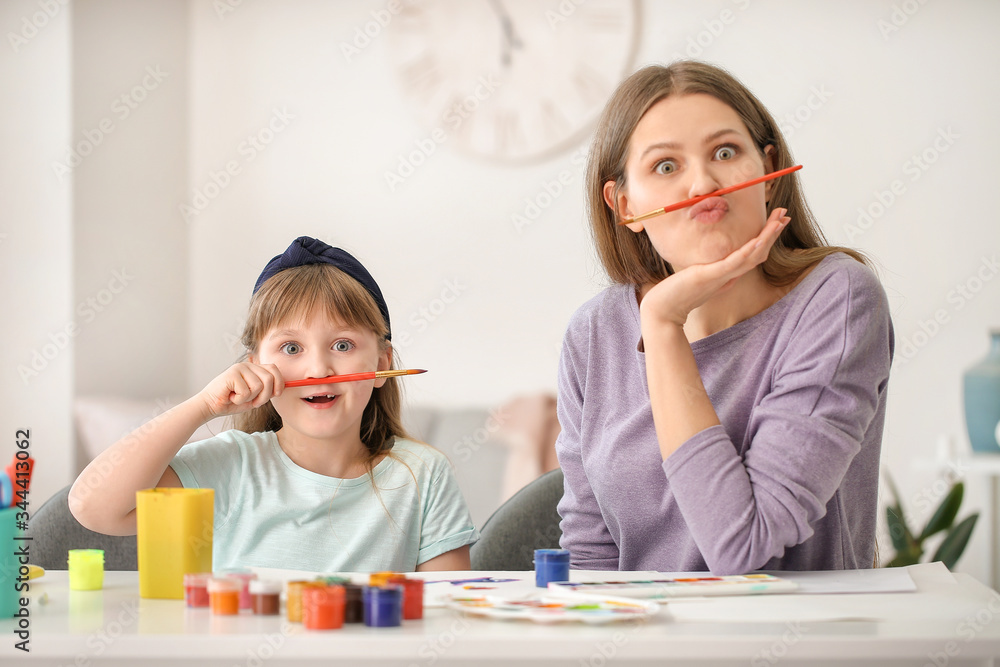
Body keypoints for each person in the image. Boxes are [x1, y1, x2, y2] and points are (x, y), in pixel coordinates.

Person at [556, 61, 894, 574]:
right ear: (624, 206)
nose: (703, 184)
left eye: (725, 152)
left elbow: (743, 548)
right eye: (666, 166)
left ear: (767, 170)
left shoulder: (838, 300)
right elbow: (590, 555)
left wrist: (664, 326)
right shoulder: (593, 333)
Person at [69, 236, 478, 572]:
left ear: (382, 363)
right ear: (254, 368)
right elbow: (93, 507)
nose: (319, 369)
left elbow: (444, 619)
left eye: (342, 344)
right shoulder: (229, 467)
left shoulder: (423, 475)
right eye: (291, 347)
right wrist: (201, 407)